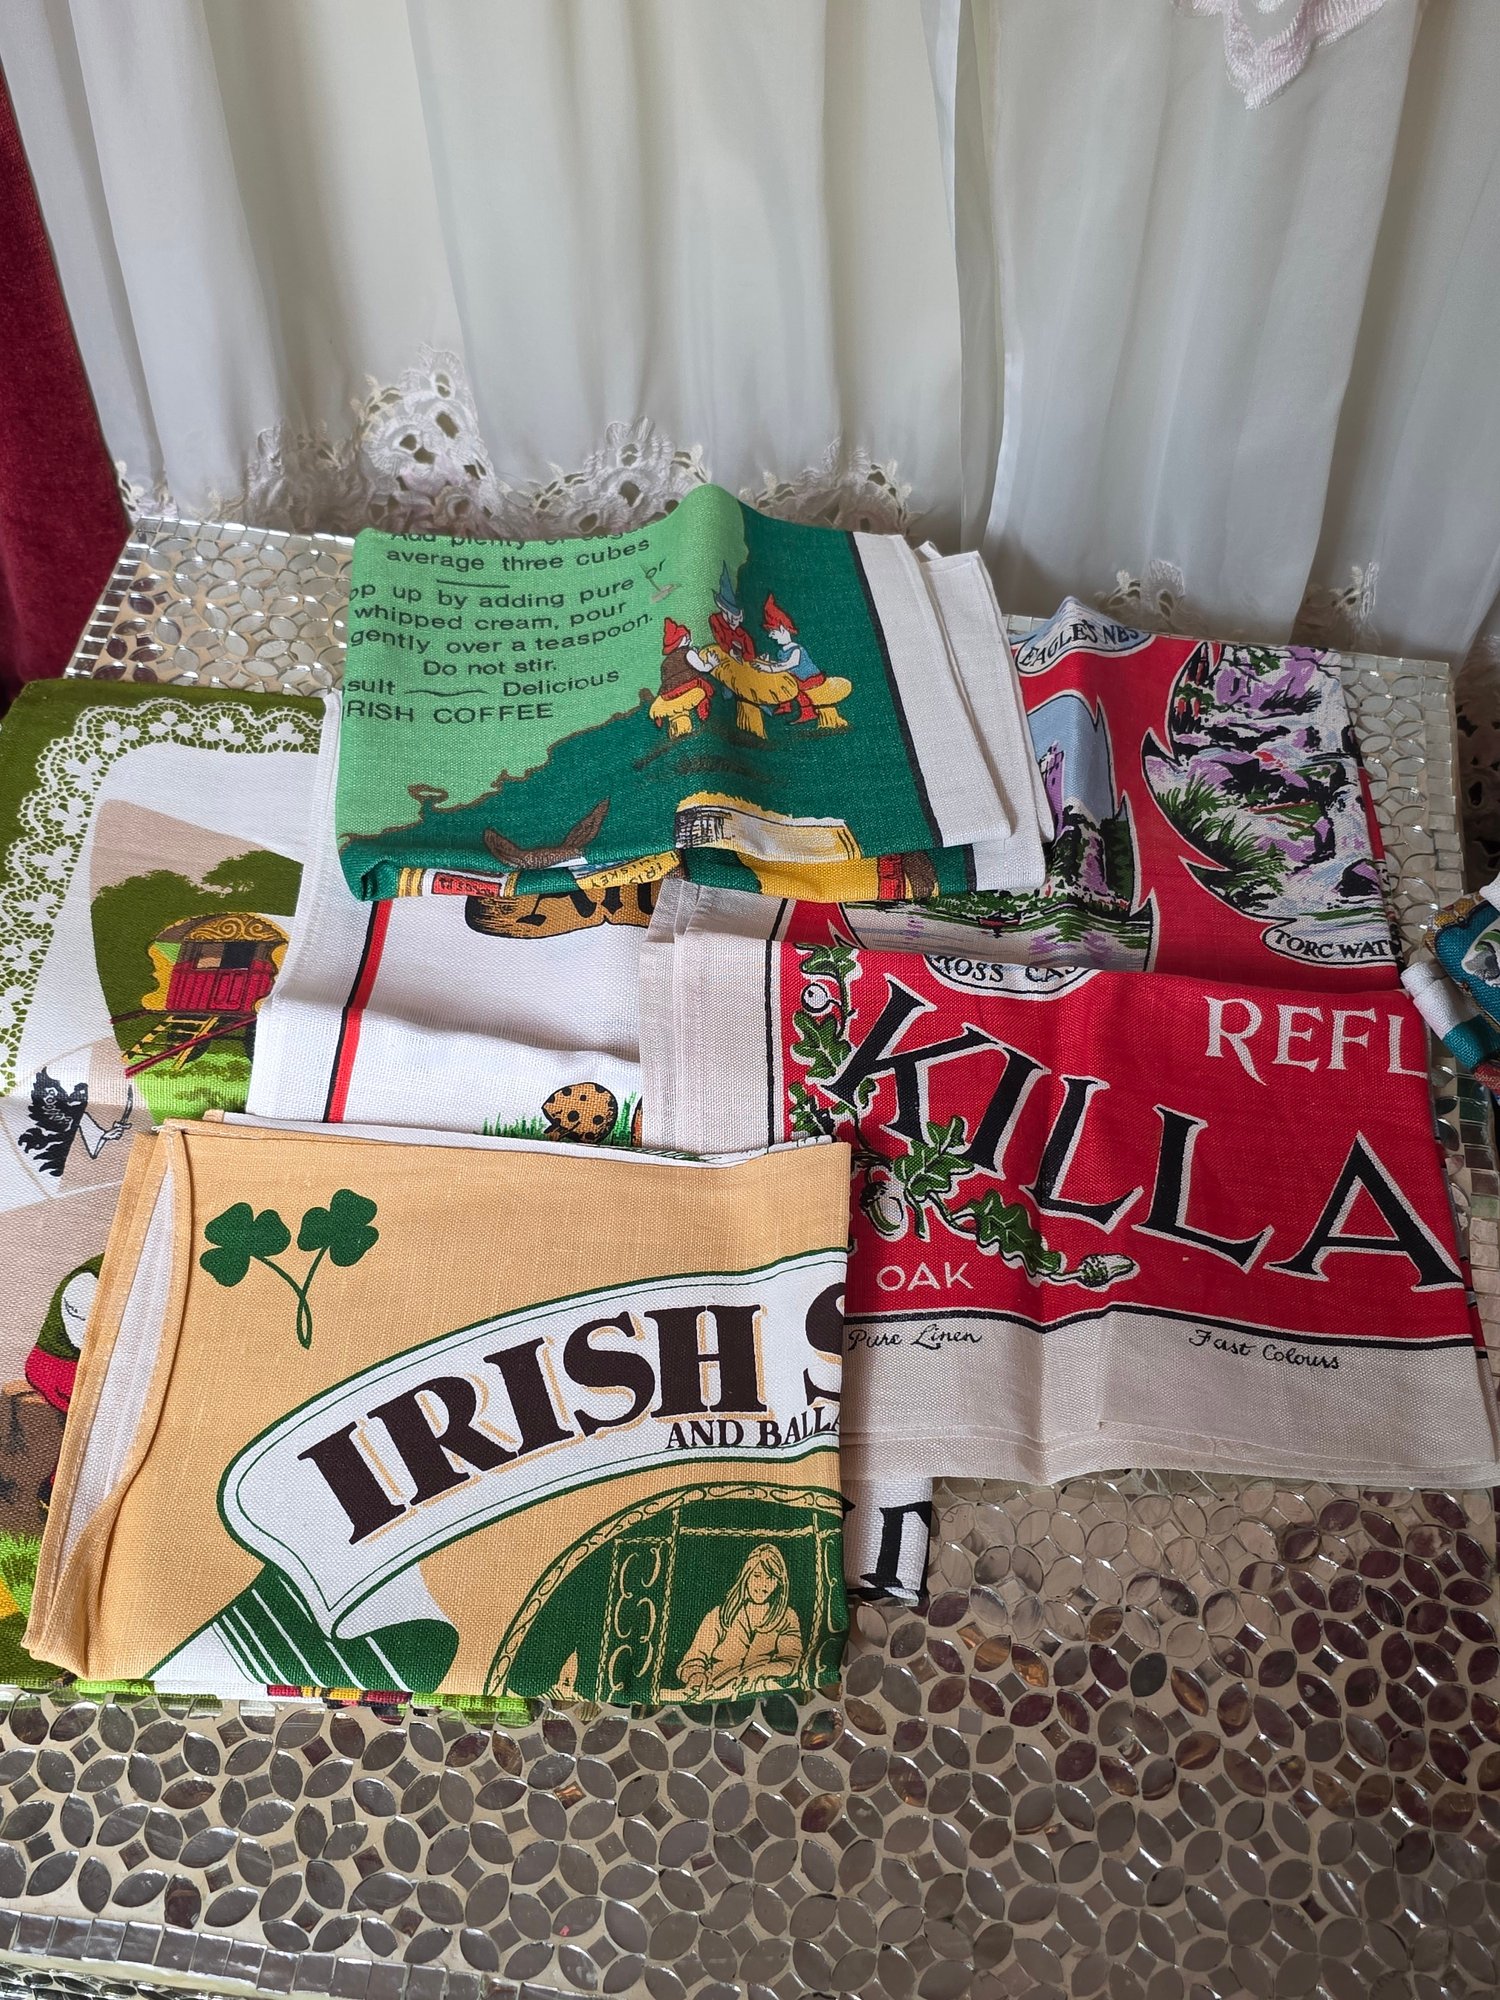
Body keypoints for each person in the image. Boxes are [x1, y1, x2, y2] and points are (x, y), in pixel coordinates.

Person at [676, 1543, 804, 1694]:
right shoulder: (720, 1615)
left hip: (763, 1693)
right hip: (714, 1692)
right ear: (746, 1576)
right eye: (757, 1575)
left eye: (770, 1578)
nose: (763, 1584)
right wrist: (696, 1675)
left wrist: (756, 1674)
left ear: (778, 1583)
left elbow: (791, 1661)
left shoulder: (786, 1617)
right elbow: (693, 1659)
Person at [761, 594, 825, 723]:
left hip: (809, 678)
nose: (771, 636)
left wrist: (770, 668)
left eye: (773, 632)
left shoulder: (796, 649)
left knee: (795, 687)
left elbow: (790, 664)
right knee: (782, 681)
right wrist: (767, 663)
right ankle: (785, 705)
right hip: (796, 678)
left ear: (783, 629)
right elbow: (782, 667)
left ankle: (808, 713)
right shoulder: (781, 652)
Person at [657, 616, 716, 720]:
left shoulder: (665, 662)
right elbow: (703, 668)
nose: (689, 638)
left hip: (667, 693)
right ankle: (703, 714)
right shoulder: (688, 653)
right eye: (686, 636)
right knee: (706, 685)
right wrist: (711, 663)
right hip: (686, 686)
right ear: (682, 640)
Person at [709, 562, 756, 664]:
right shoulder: (716, 620)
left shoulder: (742, 634)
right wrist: (730, 651)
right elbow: (719, 638)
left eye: (737, 618)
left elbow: (750, 654)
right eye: (728, 615)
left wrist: (743, 656)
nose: (733, 621)